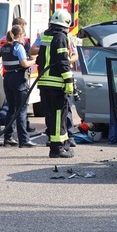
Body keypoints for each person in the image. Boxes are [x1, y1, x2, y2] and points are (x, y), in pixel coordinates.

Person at [32, 9, 75, 158]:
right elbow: (63, 60)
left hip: (44, 83)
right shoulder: (61, 37)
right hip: (56, 83)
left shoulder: (45, 35)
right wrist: (68, 80)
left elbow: (41, 58)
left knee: (51, 116)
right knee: (58, 116)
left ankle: (62, 144)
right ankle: (57, 149)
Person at [0, 17, 35, 134]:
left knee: (12, 106)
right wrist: (36, 61)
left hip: (7, 77)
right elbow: (27, 60)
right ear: (21, 29)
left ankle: (9, 135)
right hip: (20, 76)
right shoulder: (23, 42)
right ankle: (23, 136)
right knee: (21, 105)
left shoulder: (2, 41)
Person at [0, 24, 37, 147]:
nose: (24, 38)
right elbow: (24, 64)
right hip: (18, 80)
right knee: (21, 109)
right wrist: (36, 61)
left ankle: (8, 138)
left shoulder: (4, 47)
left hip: (7, 78)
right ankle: (24, 140)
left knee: (11, 109)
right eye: (23, 35)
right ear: (20, 35)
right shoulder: (18, 47)